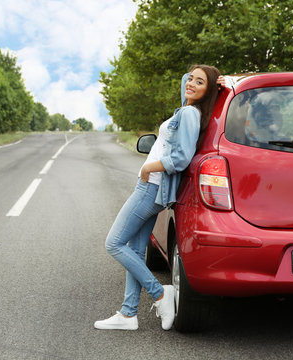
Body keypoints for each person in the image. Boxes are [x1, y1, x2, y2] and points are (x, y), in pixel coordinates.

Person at [94, 65, 224, 331]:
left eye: (200, 82)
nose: (191, 84)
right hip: (151, 187)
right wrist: (220, 79)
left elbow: (181, 158)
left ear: (207, 91)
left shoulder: (189, 114)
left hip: (151, 187)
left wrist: (148, 167)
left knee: (114, 243)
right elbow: (184, 82)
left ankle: (160, 294)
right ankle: (129, 314)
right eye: (190, 78)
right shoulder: (186, 106)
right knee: (135, 249)